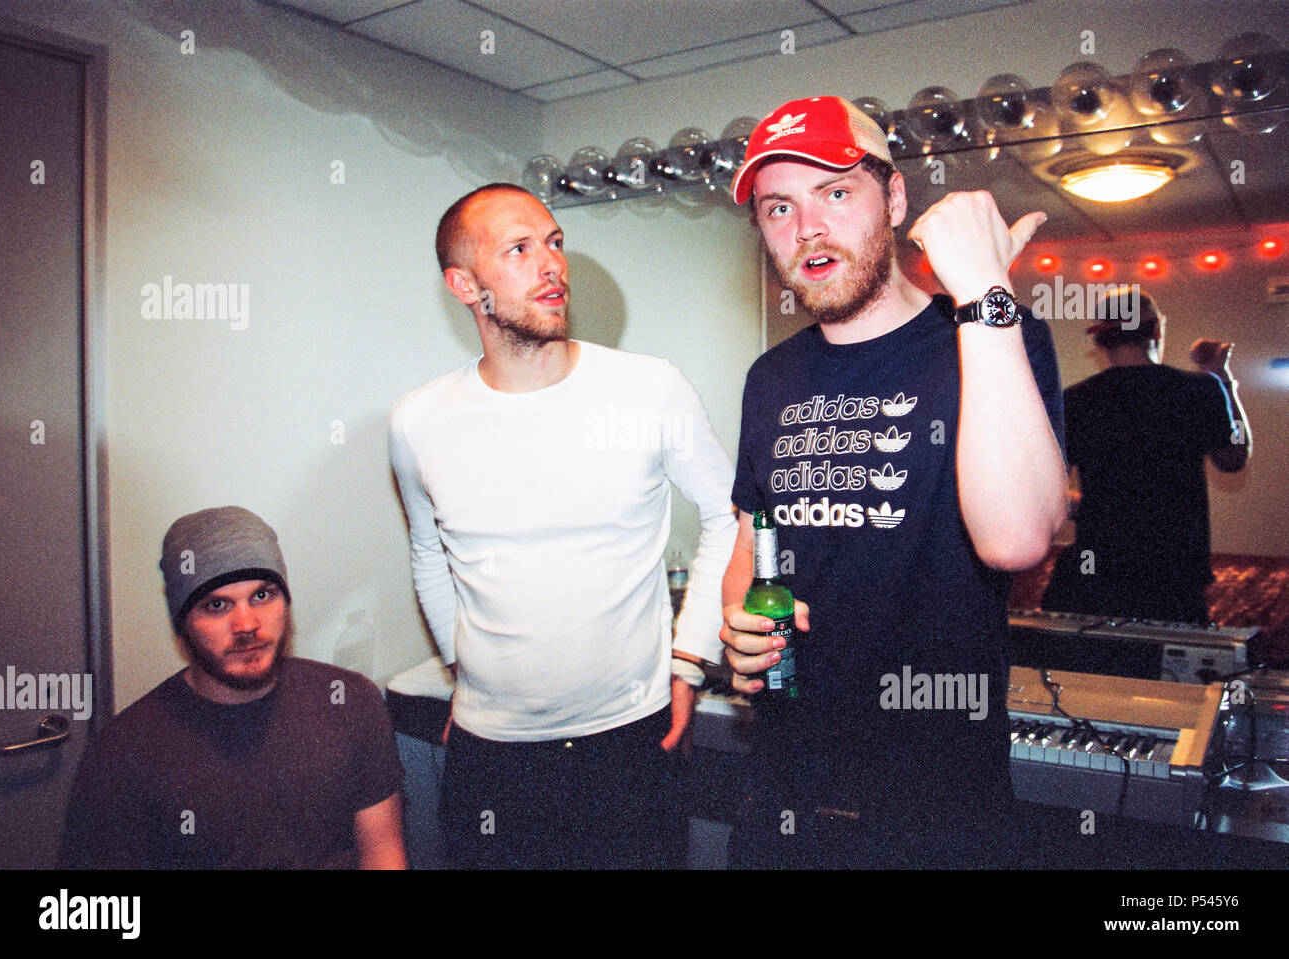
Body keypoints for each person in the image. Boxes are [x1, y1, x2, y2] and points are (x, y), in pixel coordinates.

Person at [718, 96, 1068, 868]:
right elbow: (753, 534)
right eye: (780, 207)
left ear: (896, 200)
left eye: (835, 194)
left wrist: (982, 290)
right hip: (784, 801)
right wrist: (738, 618)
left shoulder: (990, 337)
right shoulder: (769, 377)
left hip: (938, 815)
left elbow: (1015, 539)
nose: (807, 227)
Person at [388, 183, 736, 869]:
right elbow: (429, 553)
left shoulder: (649, 388)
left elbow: (729, 514)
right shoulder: (418, 421)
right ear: (463, 284)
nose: (551, 264)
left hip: (633, 746)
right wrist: (466, 676)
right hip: (493, 760)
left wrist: (691, 662)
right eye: (519, 249)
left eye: (554, 242)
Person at [59, 506, 406, 869]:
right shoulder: (125, 751)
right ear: (182, 623)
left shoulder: (350, 702)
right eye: (217, 605)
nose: (246, 624)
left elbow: (383, 850)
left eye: (262, 596)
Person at [1041, 287, 1251, 623]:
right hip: (1175, 573)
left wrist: (1089, 505)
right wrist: (1223, 379)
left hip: (1097, 570)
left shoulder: (1076, 400)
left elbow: (1042, 489)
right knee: (1170, 671)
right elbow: (1234, 456)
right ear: (1155, 330)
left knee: (1093, 672)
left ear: (1100, 341)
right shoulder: (1199, 390)